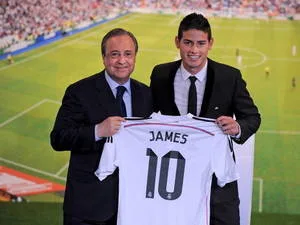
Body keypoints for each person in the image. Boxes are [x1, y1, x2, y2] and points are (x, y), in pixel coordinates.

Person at [150, 13, 261, 225]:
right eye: (188, 43)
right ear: (177, 42)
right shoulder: (160, 75)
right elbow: (149, 117)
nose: (194, 50)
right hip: (173, 178)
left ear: (210, 43)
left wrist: (238, 127)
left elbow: (252, 117)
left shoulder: (230, 77)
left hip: (217, 181)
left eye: (201, 43)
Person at [50, 28, 153, 225]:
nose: (122, 61)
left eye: (127, 54)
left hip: (133, 206)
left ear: (135, 57)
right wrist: (98, 131)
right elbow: (58, 138)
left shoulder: (147, 94)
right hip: (89, 207)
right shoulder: (79, 91)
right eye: (115, 54)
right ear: (104, 58)